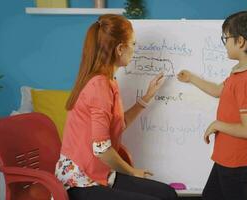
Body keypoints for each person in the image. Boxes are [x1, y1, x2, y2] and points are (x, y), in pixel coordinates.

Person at [55, 14, 177, 200]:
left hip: (101, 174)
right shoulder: (99, 86)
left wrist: (146, 97)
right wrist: (131, 171)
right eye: (133, 44)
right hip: (80, 181)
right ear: (120, 49)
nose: (135, 49)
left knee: (167, 194)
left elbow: (118, 124)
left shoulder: (108, 81)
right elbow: (101, 149)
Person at [177, 9, 247, 200]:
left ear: (241, 41)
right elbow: (219, 91)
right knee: (211, 195)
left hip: (237, 160)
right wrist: (192, 78)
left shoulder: (246, 81)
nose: (225, 43)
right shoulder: (240, 71)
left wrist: (216, 124)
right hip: (228, 156)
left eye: (226, 38)